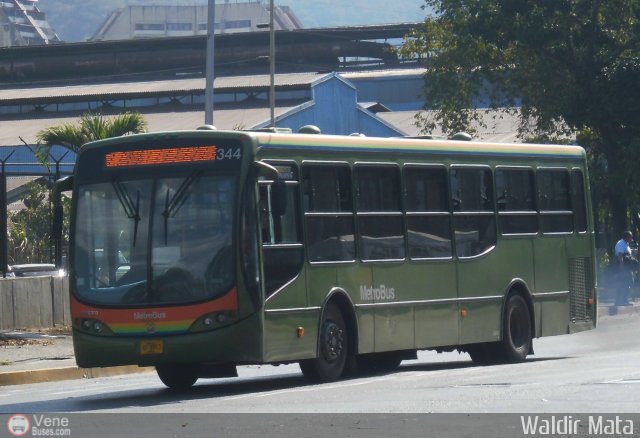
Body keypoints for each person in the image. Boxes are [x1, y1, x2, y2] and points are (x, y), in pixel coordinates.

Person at [614, 230, 637, 306]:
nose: (631, 238)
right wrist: (621, 266)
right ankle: (620, 301)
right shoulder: (620, 243)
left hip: (627, 267)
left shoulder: (626, 244)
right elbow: (620, 255)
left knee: (628, 283)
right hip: (622, 266)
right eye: (630, 237)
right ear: (626, 237)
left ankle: (625, 300)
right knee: (623, 283)